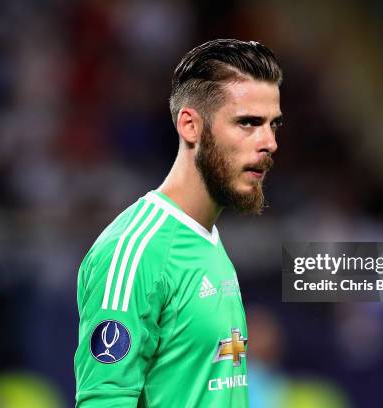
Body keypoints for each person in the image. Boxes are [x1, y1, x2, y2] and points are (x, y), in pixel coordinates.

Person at [74, 38, 283, 407]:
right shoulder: (135, 252)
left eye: (272, 125)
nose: (268, 142)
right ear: (190, 126)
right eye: (247, 123)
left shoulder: (208, 240)